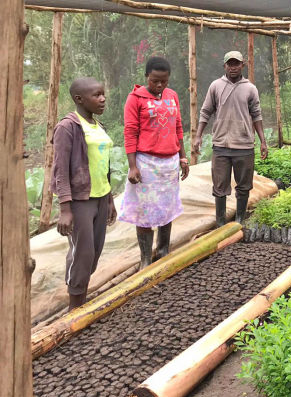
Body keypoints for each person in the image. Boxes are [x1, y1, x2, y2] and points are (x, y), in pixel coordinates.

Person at [51, 77, 117, 310]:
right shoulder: (67, 127)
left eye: (103, 94)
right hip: (80, 201)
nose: (102, 99)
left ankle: (81, 299)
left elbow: (104, 166)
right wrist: (65, 208)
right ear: (79, 99)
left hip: (100, 197)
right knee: (83, 252)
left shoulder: (99, 127)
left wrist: (109, 200)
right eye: (96, 95)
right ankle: (75, 307)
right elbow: (60, 169)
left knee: (95, 252)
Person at [120, 56, 189, 269]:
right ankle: (145, 259)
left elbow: (178, 127)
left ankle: (163, 249)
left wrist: (183, 157)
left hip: (169, 163)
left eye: (164, 81)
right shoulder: (135, 98)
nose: (159, 85)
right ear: (146, 77)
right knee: (145, 211)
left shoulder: (172, 96)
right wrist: (133, 166)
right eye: (155, 81)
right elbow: (130, 132)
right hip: (146, 163)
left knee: (166, 207)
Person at [193, 50, 268, 228]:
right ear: (224, 65)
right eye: (230, 64)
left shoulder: (250, 88)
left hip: (244, 145)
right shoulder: (216, 86)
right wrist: (198, 136)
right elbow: (205, 111)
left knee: (243, 186)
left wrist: (263, 141)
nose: (233, 67)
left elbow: (256, 115)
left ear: (242, 65)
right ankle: (220, 223)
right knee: (219, 187)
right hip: (221, 145)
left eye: (236, 64)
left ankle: (239, 220)